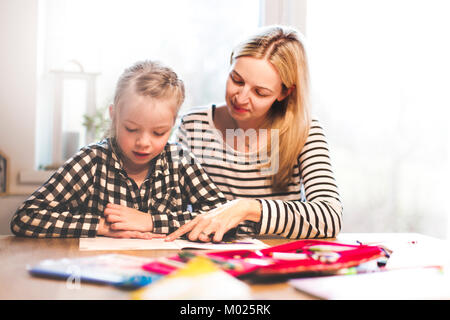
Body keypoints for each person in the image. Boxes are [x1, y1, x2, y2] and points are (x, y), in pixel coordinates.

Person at [10, 60, 227, 238]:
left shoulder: (180, 160)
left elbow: (224, 219)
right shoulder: (92, 160)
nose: (143, 142)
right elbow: (26, 217)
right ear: (114, 116)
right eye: (131, 129)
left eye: (158, 132)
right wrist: (102, 226)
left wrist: (150, 221)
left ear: (172, 124)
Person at [166, 25, 343, 243]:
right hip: (210, 259)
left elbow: (330, 217)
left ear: (285, 92)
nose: (240, 98)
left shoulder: (304, 130)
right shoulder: (194, 125)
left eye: (260, 92)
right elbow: (170, 208)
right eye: (237, 80)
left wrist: (248, 208)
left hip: (277, 260)